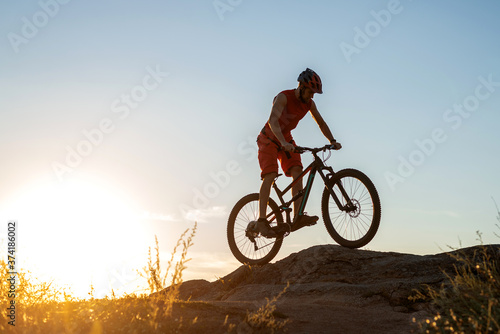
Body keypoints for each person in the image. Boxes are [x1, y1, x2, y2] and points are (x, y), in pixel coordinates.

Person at [255, 68, 342, 238]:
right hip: (269, 139)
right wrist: (283, 143)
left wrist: (332, 141)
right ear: (301, 87)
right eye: (310, 91)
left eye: (314, 93)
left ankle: (298, 216)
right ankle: (262, 221)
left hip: (286, 140)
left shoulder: (309, 104)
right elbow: (273, 121)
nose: (312, 96)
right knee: (270, 175)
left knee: (298, 171)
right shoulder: (283, 97)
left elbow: (321, 123)